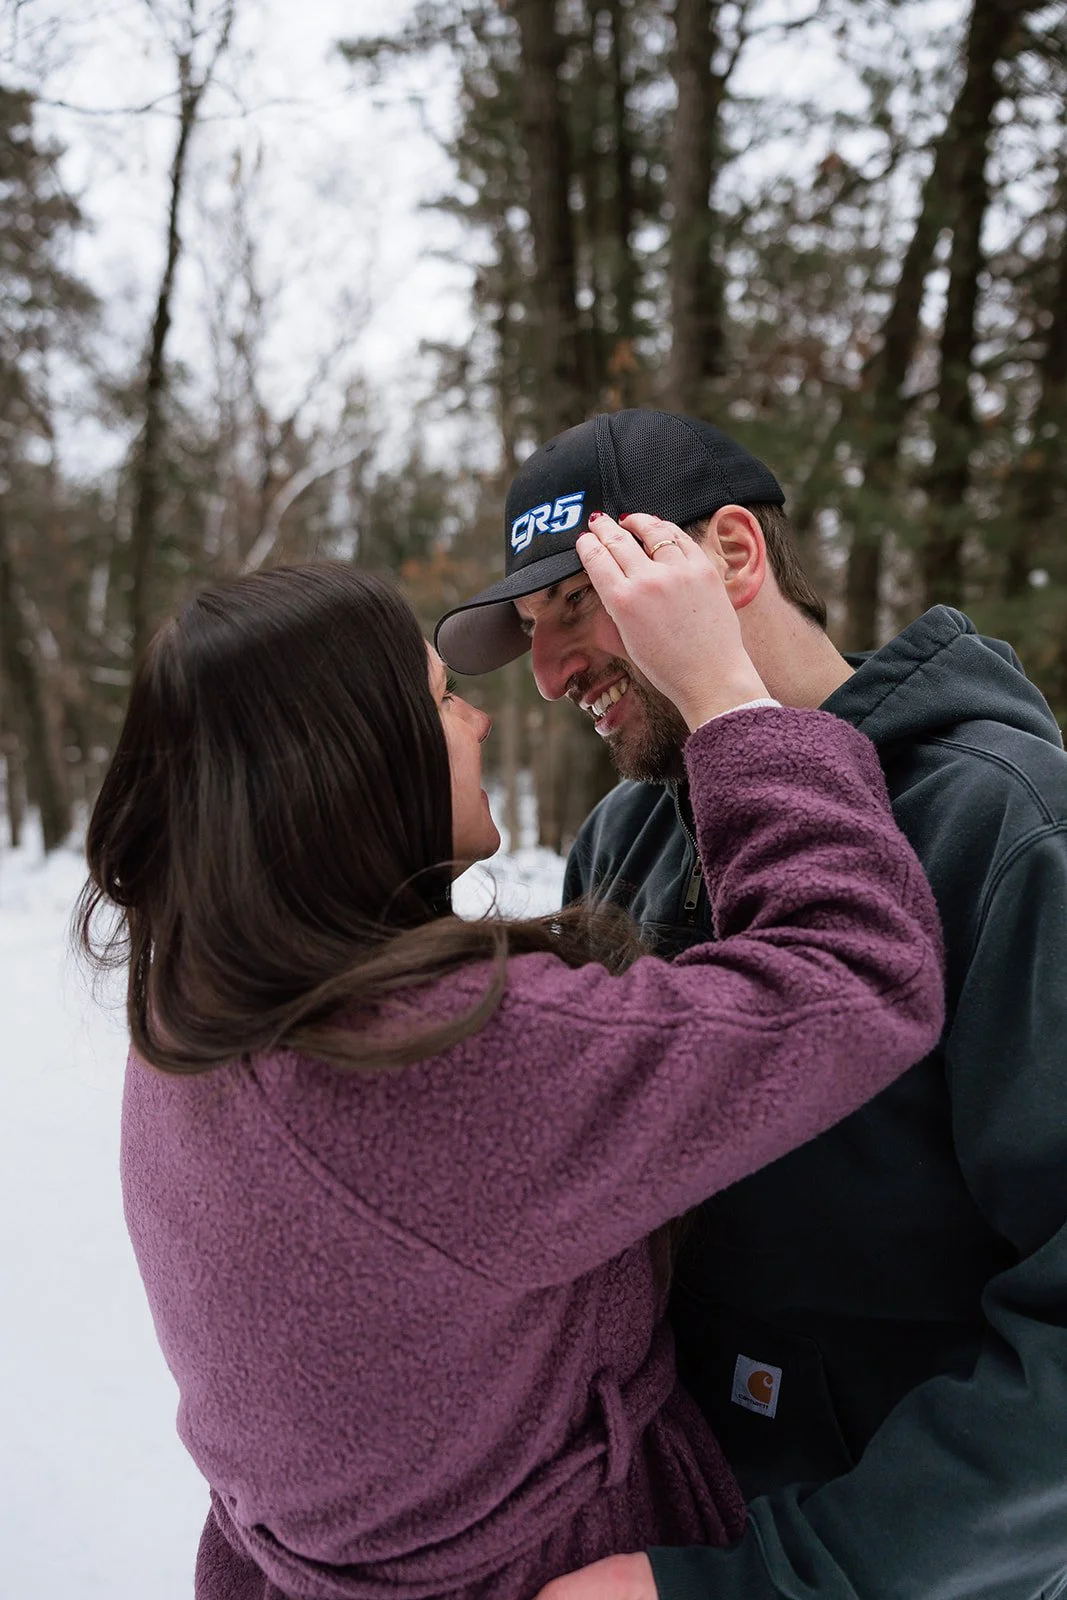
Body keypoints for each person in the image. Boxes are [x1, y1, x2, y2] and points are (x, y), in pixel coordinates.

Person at [80, 543, 942, 1600]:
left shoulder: (201, 1006)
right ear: (354, 762)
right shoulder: (424, 1060)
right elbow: (853, 978)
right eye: (443, 699)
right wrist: (726, 697)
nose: (481, 716)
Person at [435, 407, 1067, 1600]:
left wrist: (780, 1578)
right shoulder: (623, 836)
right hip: (646, 1528)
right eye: (527, 628)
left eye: (577, 599)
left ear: (728, 555)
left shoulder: (1002, 825)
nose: (551, 669)